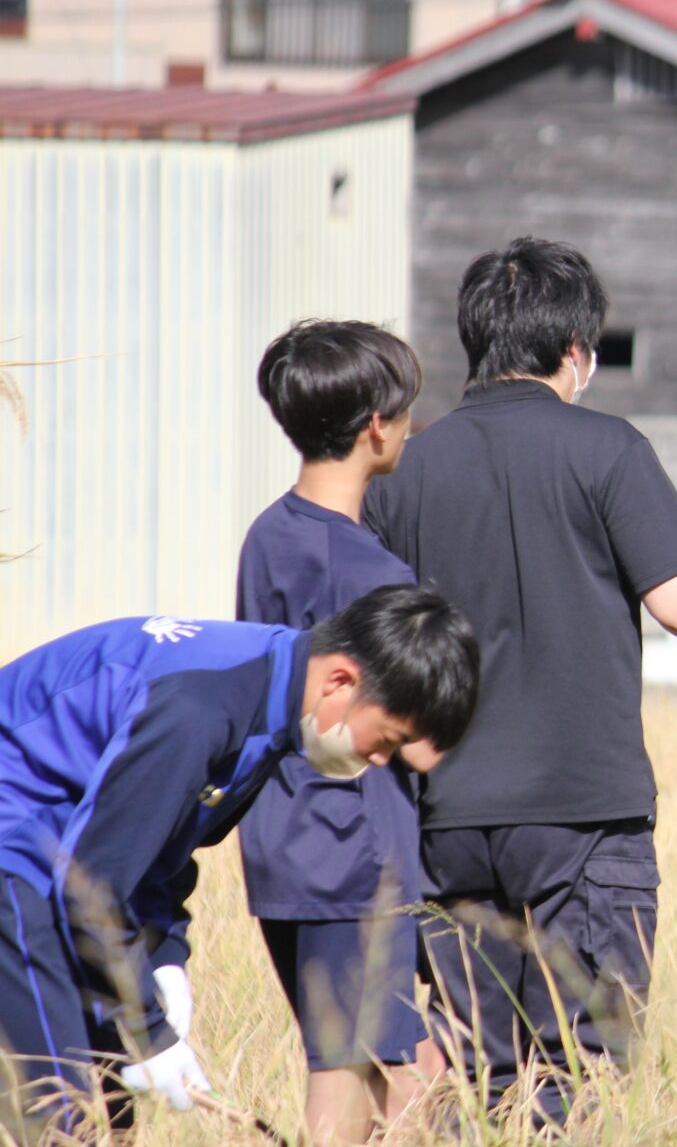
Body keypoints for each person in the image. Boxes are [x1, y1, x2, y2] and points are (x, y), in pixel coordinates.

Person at [362, 238, 677, 1116]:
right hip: (584, 816)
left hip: (447, 816)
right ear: (577, 351)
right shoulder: (607, 447)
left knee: (479, 1073)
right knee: (586, 1068)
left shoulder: (406, 467)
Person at [0, 587, 478, 1139]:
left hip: (60, 864)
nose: (378, 761)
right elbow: (92, 888)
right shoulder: (202, 706)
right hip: (19, 862)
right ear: (341, 681)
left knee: (114, 1100)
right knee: (62, 1116)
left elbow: (160, 844)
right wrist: (149, 1032)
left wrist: (165, 953)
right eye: (387, 741)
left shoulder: (272, 693)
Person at [234, 320, 435, 1142]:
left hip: (281, 835)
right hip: (353, 850)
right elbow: (418, 739)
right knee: (362, 1081)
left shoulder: (267, 537)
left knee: (401, 1071)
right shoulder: (375, 573)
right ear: (376, 427)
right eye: (406, 410)